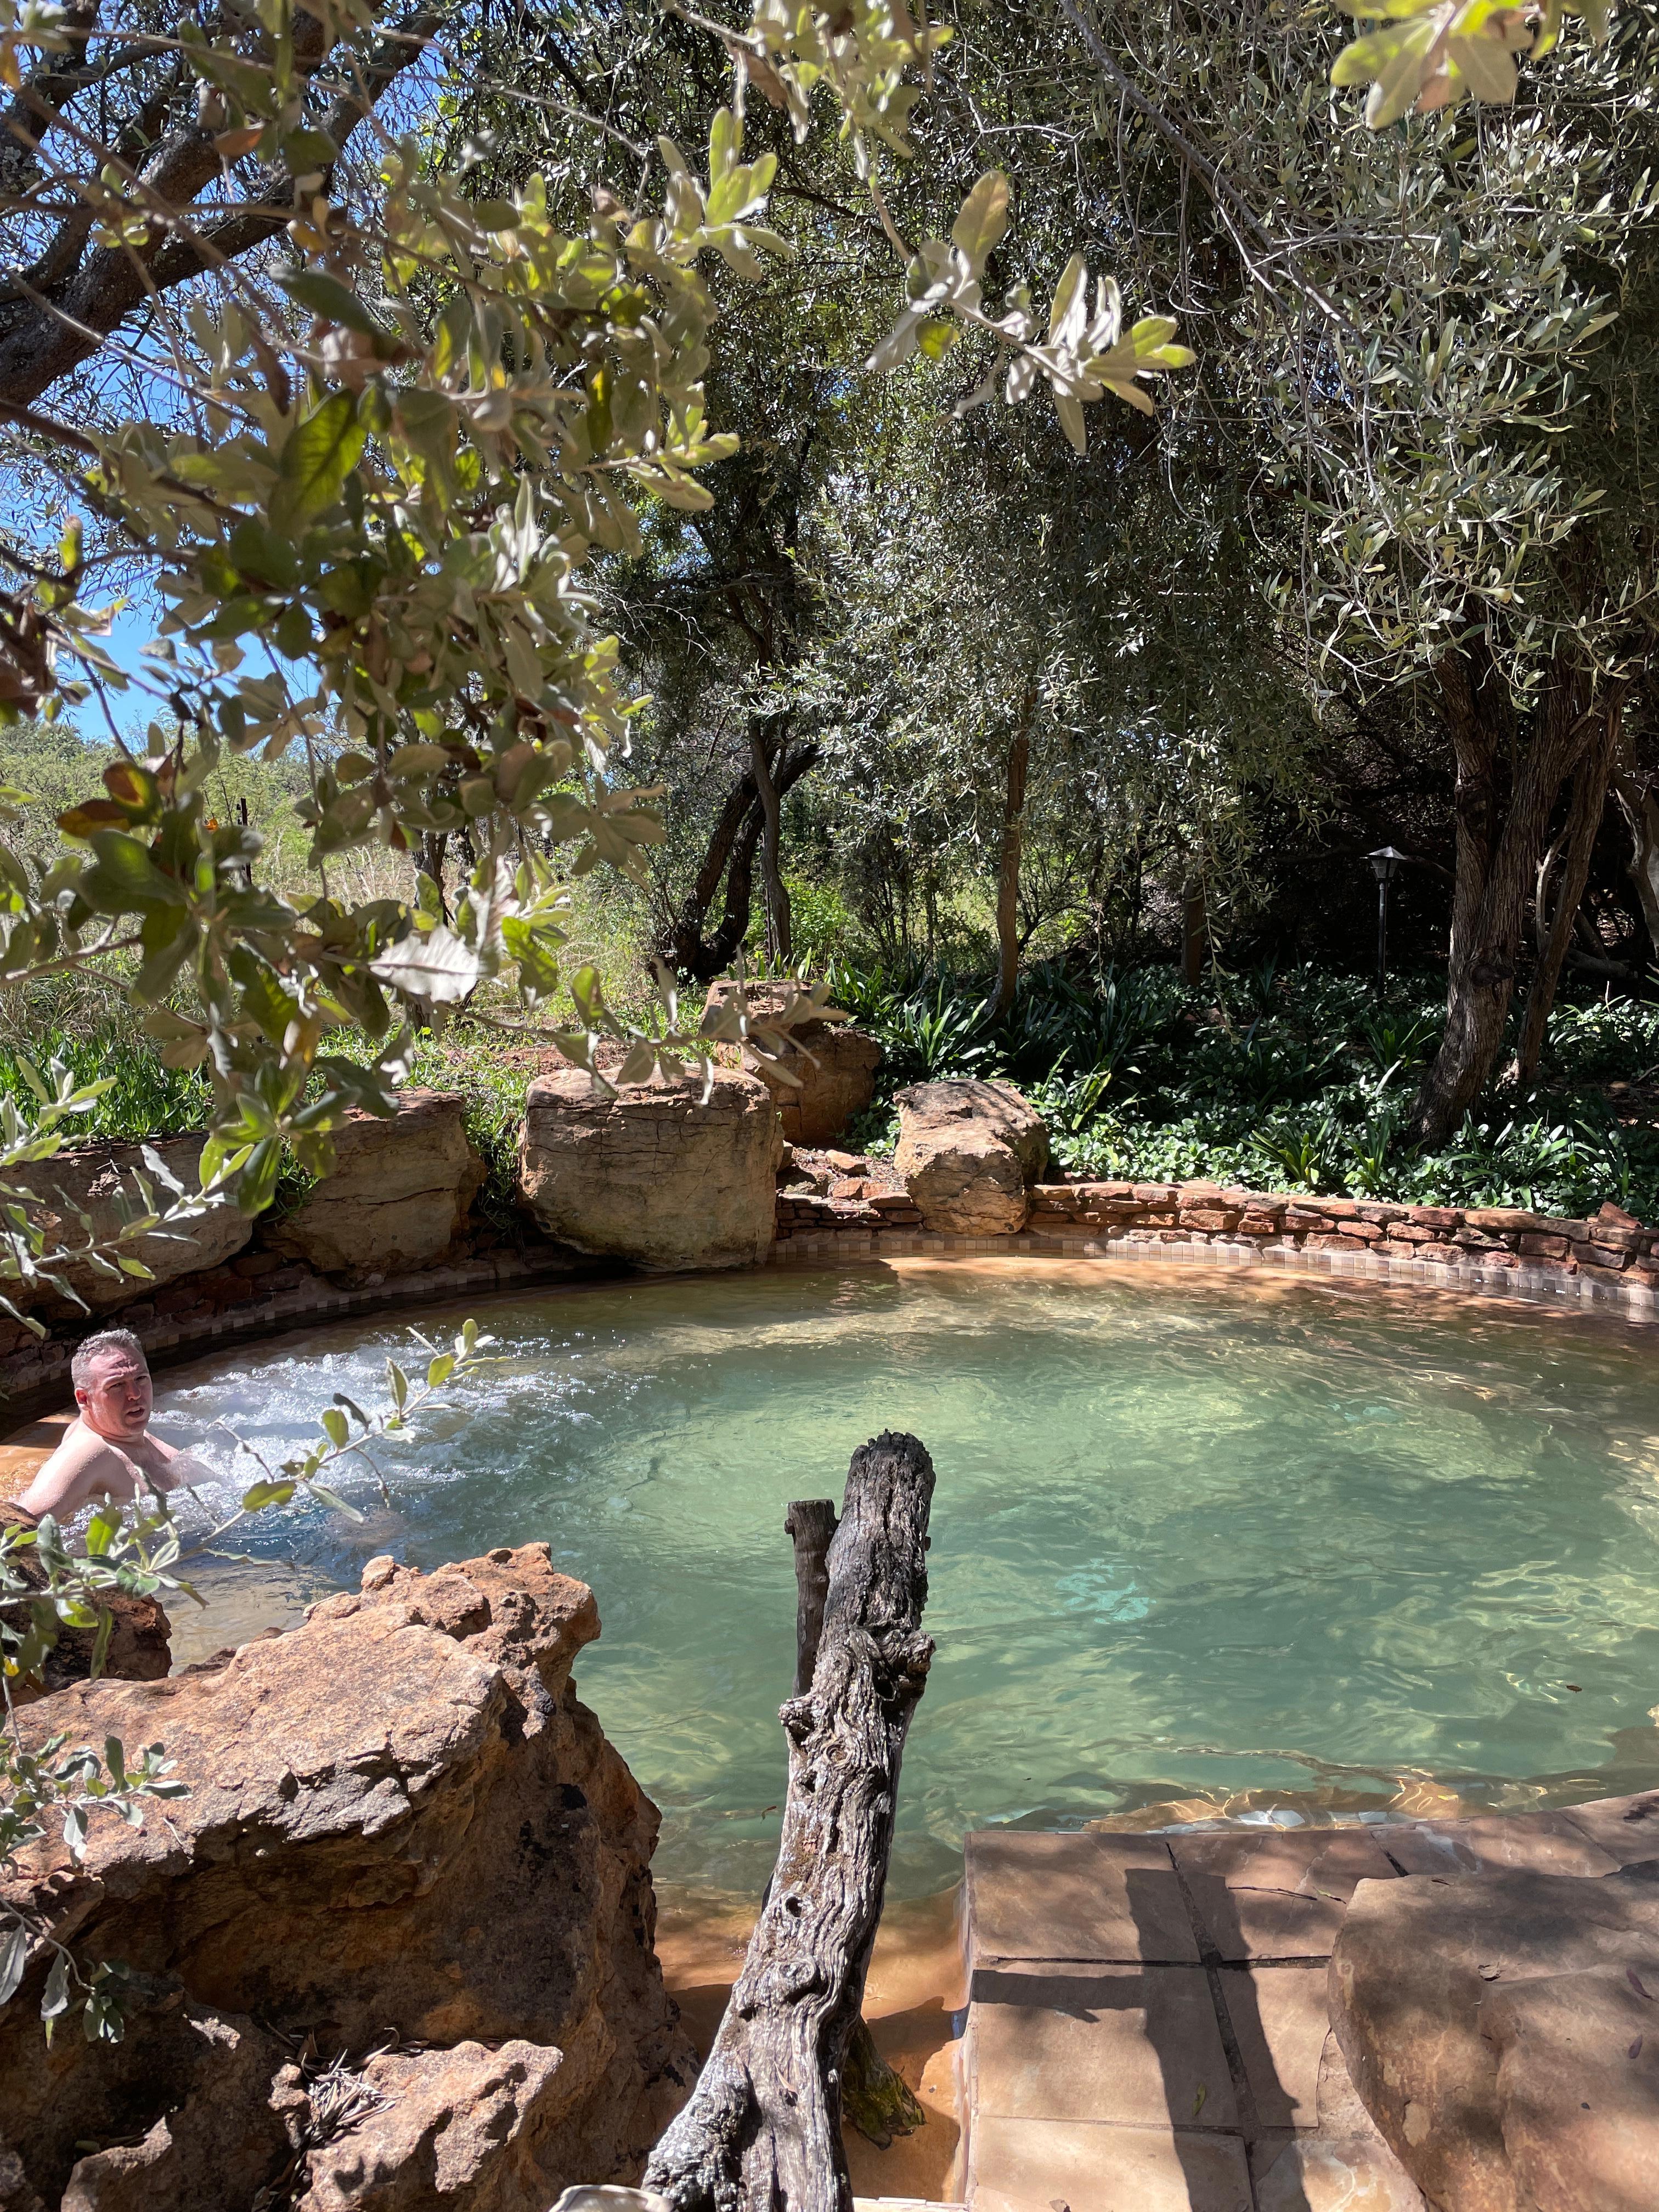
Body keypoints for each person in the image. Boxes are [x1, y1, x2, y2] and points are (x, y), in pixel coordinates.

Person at [15, 1328, 214, 1521]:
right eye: (117, 1385)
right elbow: (21, 1527)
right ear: (84, 1398)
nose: (135, 1393)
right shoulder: (90, 1453)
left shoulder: (123, 1433)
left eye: (141, 1378)